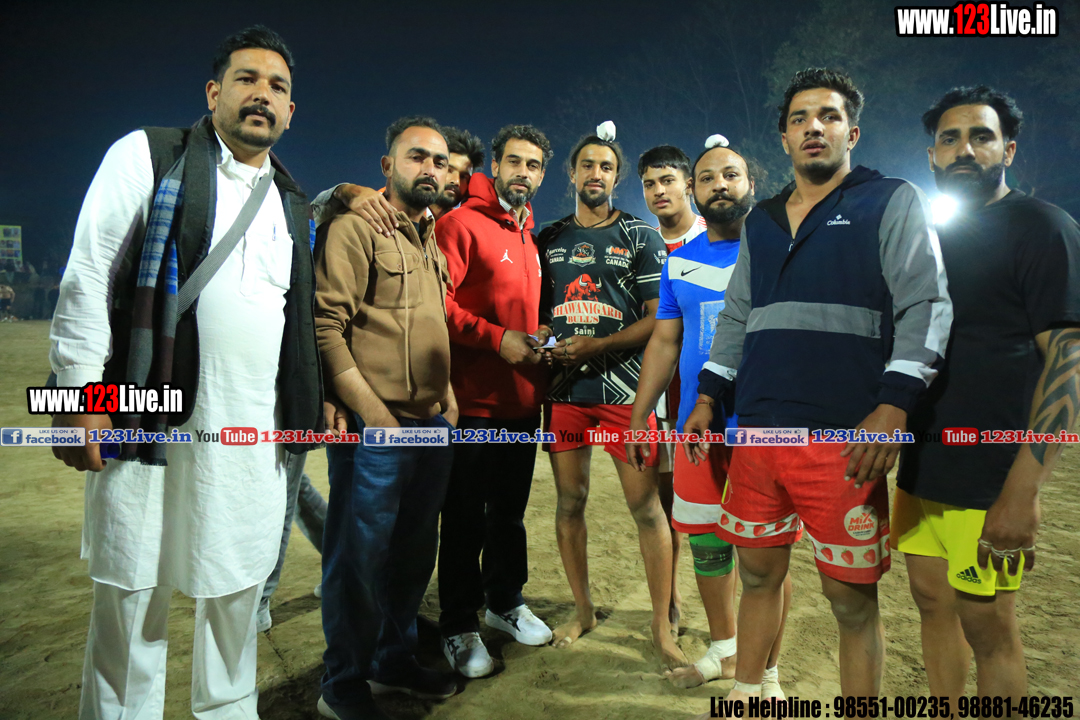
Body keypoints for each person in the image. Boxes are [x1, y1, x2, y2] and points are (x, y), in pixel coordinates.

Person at [50, 26, 324, 719]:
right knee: (131, 593)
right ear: (213, 92)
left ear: (291, 111)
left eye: (278, 87)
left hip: (249, 439)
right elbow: (90, 273)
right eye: (246, 79)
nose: (262, 95)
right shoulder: (148, 156)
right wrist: (78, 392)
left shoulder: (291, 203)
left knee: (235, 594)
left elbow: (296, 322)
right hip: (145, 421)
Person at [684, 67, 952, 708]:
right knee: (757, 576)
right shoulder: (762, 220)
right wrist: (708, 398)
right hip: (757, 432)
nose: (814, 128)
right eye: (800, 118)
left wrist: (894, 404)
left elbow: (926, 305)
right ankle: (749, 695)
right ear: (783, 137)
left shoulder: (890, 199)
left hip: (845, 437)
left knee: (850, 602)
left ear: (851, 133)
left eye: (829, 116)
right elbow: (738, 316)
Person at [896, 86, 1080, 707]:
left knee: (988, 626)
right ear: (932, 155)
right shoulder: (924, 235)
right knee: (930, 603)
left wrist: (1023, 491)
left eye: (981, 136)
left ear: (1009, 149)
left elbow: (1070, 363)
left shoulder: (1043, 227)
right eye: (950, 139)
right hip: (923, 464)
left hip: (992, 474)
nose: (965, 150)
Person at [629, 140, 792, 697]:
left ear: (751, 184)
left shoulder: (779, 250)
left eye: (731, 174)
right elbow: (665, 341)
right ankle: (725, 649)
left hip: (762, 427)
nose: (719, 184)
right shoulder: (680, 261)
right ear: (694, 192)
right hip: (696, 430)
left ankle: (766, 674)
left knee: (765, 557)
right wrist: (639, 415)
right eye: (706, 178)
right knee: (706, 544)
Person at [314, 116, 458, 720]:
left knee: (411, 556)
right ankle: (342, 684)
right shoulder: (355, 226)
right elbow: (326, 327)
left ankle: (392, 661)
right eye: (417, 156)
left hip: (429, 426)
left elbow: (428, 323)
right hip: (376, 431)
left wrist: (447, 399)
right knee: (358, 559)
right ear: (387, 166)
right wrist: (376, 417)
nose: (430, 169)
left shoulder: (428, 235)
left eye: (440, 161)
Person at [536, 123, 685, 668]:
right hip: (565, 393)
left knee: (646, 508)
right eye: (587, 165)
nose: (595, 174)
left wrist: (598, 344)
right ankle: (583, 611)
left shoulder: (641, 237)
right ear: (572, 173)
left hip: (626, 393)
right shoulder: (548, 238)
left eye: (606, 167)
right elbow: (538, 313)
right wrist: (543, 341)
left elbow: (659, 320)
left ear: (616, 178)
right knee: (569, 503)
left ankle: (662, 624)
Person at [435, 124, 556, 677]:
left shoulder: (529, 236)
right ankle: (458, 625)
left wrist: (541, 332)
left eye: (533, 165)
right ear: (497, 166)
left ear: (542, 174)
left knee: (508, 515)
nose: (522, 172)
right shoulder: (460, 224)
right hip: (473, 403)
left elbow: (523, 312)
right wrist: (496, 337)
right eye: (514, 161)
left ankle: (504, 602)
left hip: (521, 403)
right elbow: (437, 306)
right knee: (463, 518)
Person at [637, 144, 710, 633]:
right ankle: (672, 596)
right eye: (649, 183)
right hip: (662, 394)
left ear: (688, 184)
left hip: (710, 396)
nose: (659, 191)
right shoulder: (641, 243)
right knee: (667, 503)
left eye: (667, 180)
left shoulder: (715, 236)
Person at [312, 125, 485, 231]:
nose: (456, 181)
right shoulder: (376, 206)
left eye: (464, 176)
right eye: (449, 169)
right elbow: (313, 215)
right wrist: (344, 191)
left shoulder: (462, 226)